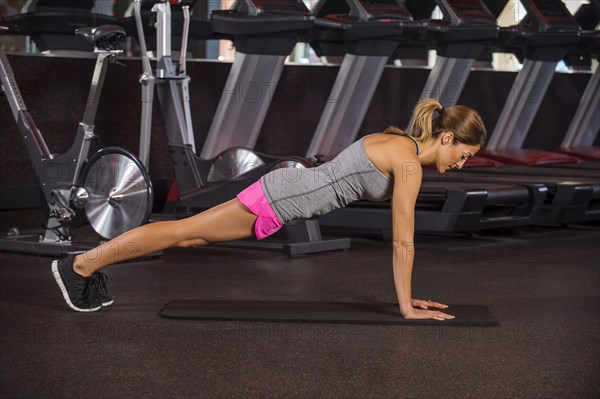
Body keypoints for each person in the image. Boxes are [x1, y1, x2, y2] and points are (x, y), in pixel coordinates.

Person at [52, 98, 486, 319]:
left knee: (190, 234)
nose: (461, 164)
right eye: (464, 154)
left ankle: (84, 267)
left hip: (285, 194)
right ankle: (78, 266)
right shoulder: (409, 163)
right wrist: (405, 306)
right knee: (179, 232)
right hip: (280, 197)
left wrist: (407, 297)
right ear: (446, 138)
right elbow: (403, 239)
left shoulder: (399, 144)